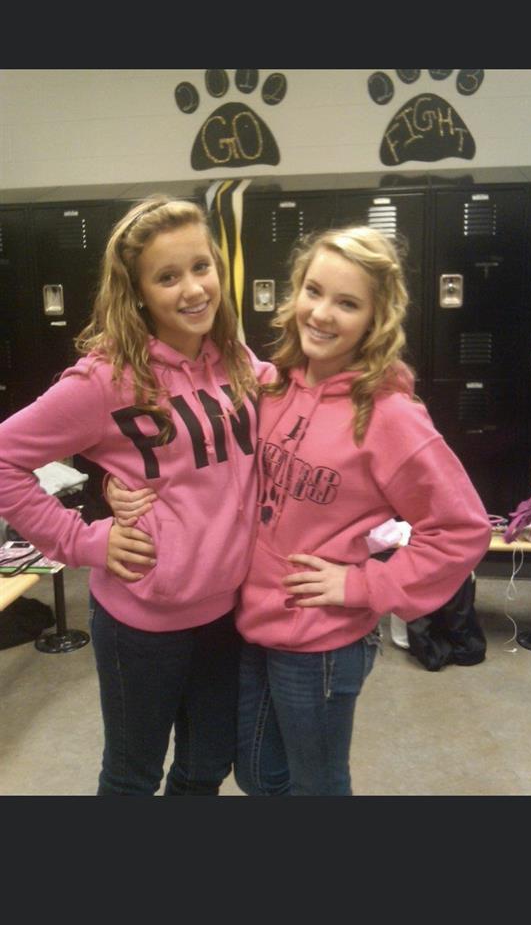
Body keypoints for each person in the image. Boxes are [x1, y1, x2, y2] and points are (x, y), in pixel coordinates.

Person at [108, 224, 492, 796]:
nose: (322, 314)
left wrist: (363, 586)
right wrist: (128, 485)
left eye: (347, 303)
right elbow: (204, 461)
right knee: (261, 775)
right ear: (296, 293)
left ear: (375, 317)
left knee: (317, 785)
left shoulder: (389, 415)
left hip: (322, 642)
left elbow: (462, 530)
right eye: (314, 291)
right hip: (252, 622)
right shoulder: (272, 387)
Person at [0, 196, 271, 795]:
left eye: (201, 267)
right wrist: (82, 540)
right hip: (143, 621)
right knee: (133, 774)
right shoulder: (104, 380)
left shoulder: (236, 359)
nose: (193, 289)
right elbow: (5, 458)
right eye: (167, 276)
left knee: (205, 768)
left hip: (228, 609)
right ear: (138, 292)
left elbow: (294, 415)